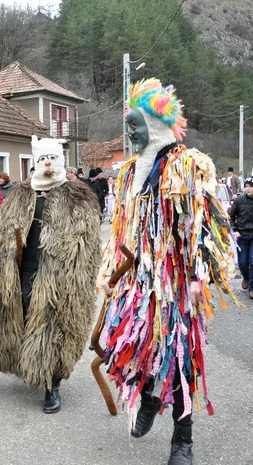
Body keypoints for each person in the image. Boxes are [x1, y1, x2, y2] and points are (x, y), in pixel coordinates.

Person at [98, 78, 237, 465]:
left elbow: (205, 226)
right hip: (135, 282)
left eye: (134, 124)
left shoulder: (189, 165)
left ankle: (183, 438)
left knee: (179, 360)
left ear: (156, 124)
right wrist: (111, 272)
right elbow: (122, 226)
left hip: (175, 283)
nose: (129, 132)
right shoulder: (128, 172)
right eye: (127, 124)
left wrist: (198, 275)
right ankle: (149, 398)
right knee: (131, 349)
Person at [0, 135, 101, 413]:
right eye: (42, 159)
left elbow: (89, 240)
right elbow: (2, 230)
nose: (47, 163)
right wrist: (3, 260)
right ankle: (27, 365)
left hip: (60, 274)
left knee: (54, 326)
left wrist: (75, 271)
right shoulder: (22, 192)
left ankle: (52, 385)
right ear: (36, 163)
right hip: (24, 270)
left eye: (52, 158)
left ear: (59, 160)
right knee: (24, 317)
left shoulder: (77, 194)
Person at [229, 177, 253, 298]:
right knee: (243, 263)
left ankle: (252, 288)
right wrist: (235, 230)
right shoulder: (239, 201)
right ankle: (246, 277)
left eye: (251, 186)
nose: (248, 189)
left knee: (252, 261)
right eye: (247, 186)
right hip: (242, 235)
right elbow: (231, 217)